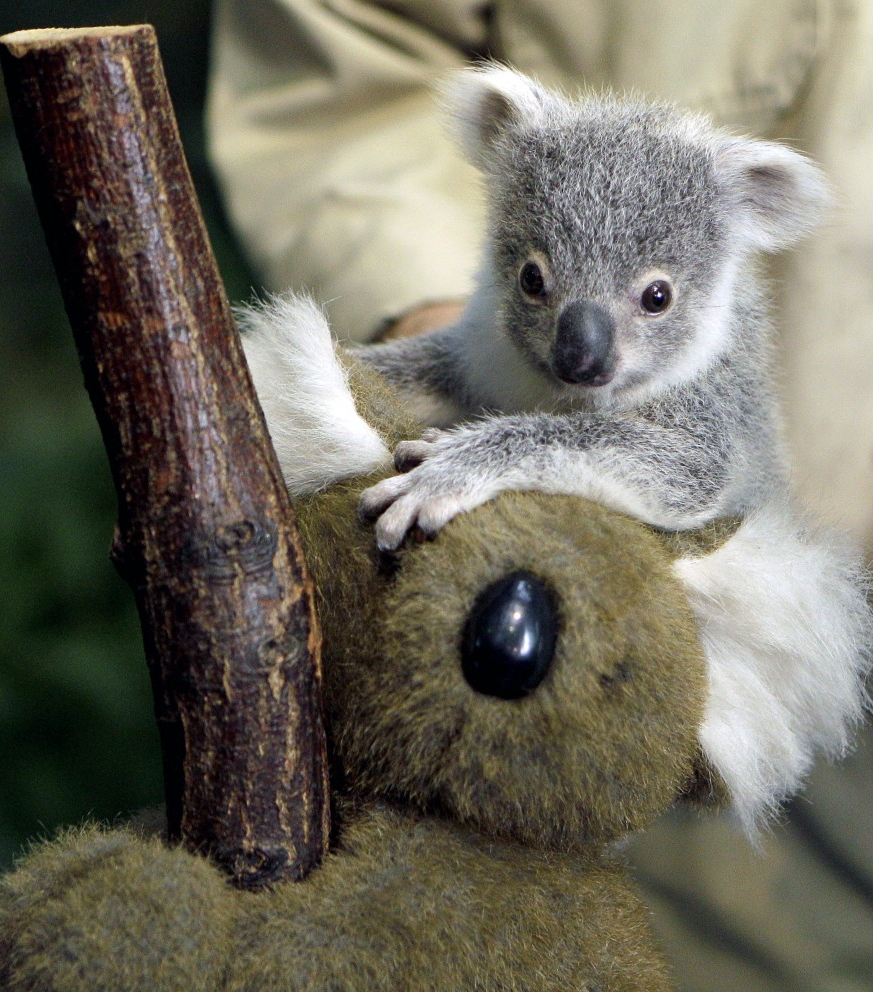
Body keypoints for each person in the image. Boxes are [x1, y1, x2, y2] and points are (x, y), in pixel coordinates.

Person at [206, 3, 873, 989]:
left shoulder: (714, 319)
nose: (582, 343)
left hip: (770, 628)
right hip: (622, 683)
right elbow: (454, 345)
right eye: (535, 282)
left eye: (651, 298)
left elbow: (689, 473)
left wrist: (488, 455)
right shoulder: (510, 285)